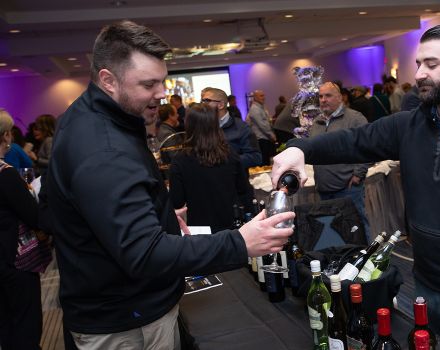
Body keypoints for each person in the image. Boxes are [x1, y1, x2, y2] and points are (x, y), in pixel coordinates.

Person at [272, 24, 440, 349]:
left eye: (431, 64)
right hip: (424, 287)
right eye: (418, 64)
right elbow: (353, 141)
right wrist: (299, 149)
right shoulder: (409, 125)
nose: (419, 73)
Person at [42, 20, 294, 349]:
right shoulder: (103, 149)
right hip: (126, 322)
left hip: (117, 304)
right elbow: (144, 254)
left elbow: (55, 207)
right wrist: (240, 243)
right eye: (149, 84)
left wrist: (153, 214)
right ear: (108, 81)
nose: (162, 93)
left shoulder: (91, 117)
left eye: (162, 81)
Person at [0, 109, 43, 350]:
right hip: (14, 261)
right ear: (6, 135)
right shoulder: (6, 175)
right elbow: (34, 216)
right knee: (26, 326)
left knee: (6, 326)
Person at [169, 103, 248, 233]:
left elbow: (176, 201)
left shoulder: (180, 160)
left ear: (189, 125)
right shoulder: (230, 155)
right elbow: (243, 190)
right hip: (231, 227)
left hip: (200, 231)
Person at [310, 81, 371, 241]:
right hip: (324, 189)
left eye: (328, 95)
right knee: (335, 233)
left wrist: (358, 174)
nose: (323, 99)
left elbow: (368, 147)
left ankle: (367, 262)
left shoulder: (354, 118)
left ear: (340, 98)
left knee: (356, 227)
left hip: (348, 187)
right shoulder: (317, 122)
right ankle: (344, 263)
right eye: (321, 96)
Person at [201, 87, 262, 170]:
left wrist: (224, 161)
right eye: (202, 101)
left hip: (234, 180)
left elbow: (255, 157)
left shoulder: (241, 127)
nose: (202, 105)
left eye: (207, 101)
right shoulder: (202, 127)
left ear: (221, 105)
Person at [246, 90, 276, 165]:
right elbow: (262, 124)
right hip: (261, 138)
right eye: (261, 96)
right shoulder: (255, 109)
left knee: (267, 160)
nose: (264, 97)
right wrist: (271, 134)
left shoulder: (260, 107)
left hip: (264, 137)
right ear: (255, 97)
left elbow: (266, 121)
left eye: (264, 95)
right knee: (264, 161)